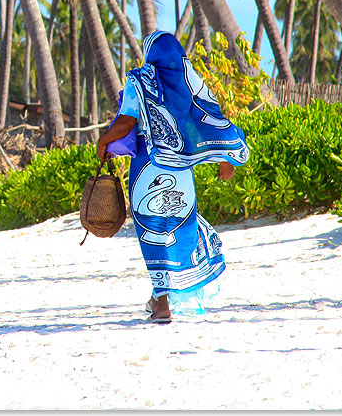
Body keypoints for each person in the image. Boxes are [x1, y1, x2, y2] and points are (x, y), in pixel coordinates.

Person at [96, 31, 249, 324]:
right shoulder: (191, 82)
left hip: (147, 169)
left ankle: (163, 303)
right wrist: (224, 158)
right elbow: (210, 119)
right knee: (178, 226)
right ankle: (160, 297)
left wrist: (103, 141)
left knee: (152, 230)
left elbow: (127, 120)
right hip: (180, 172)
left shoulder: (139, 81)